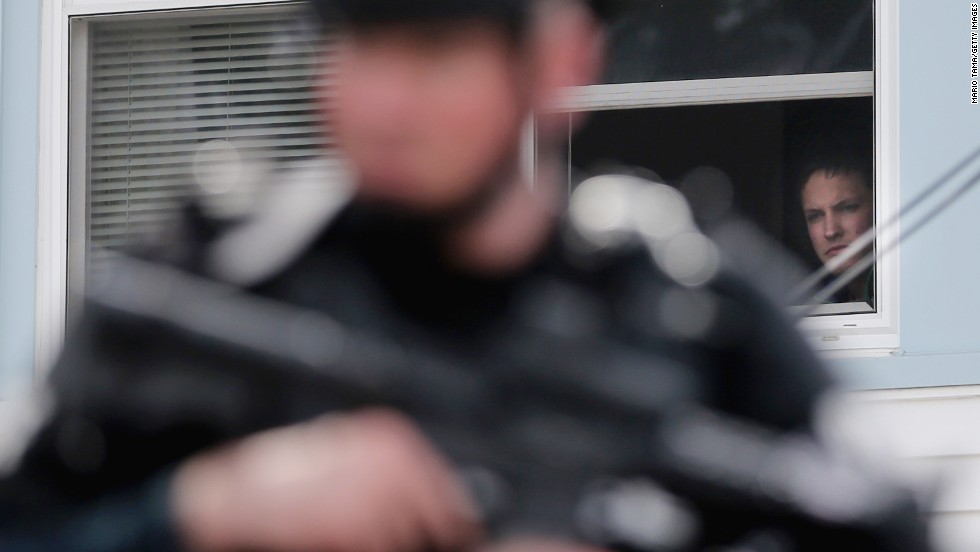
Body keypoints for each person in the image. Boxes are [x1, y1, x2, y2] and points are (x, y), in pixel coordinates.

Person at [0, 1, 923, 551]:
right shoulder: (210, 291)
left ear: (558, 61)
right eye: (360, 43)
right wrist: (202, 508)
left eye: (436, 51)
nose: (385, 103)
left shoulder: (689, 313)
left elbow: (882, 522)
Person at [795, 113, 875, 304]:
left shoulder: (908, 294)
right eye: (815, 216)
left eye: (848, 208)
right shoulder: (816, 303)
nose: (830, 231)